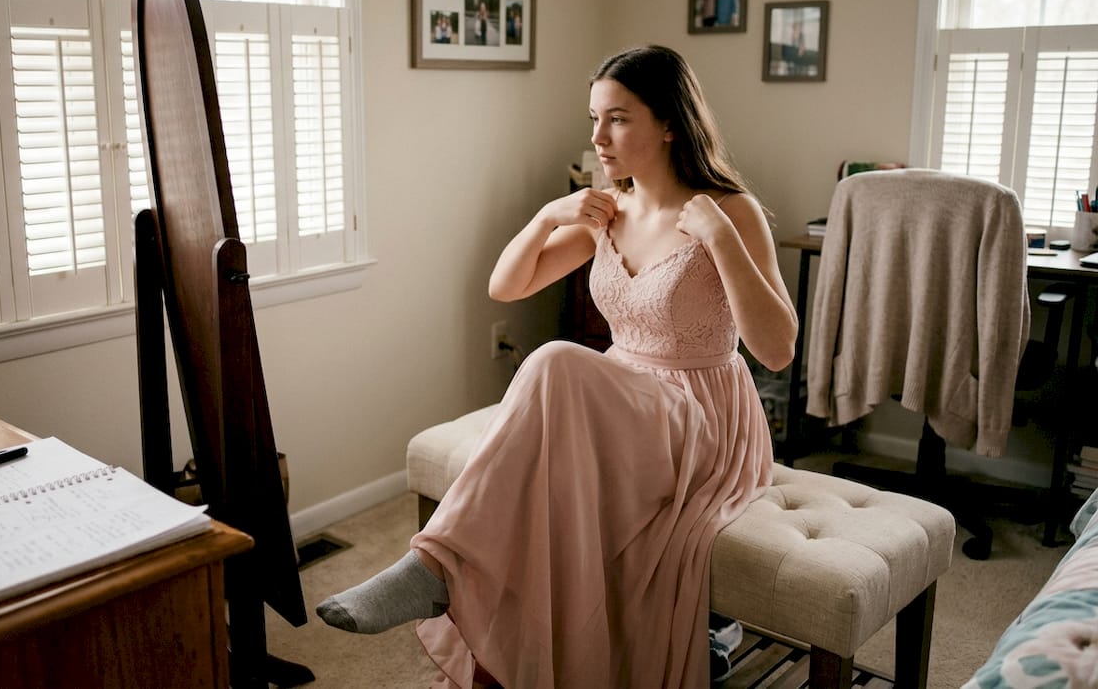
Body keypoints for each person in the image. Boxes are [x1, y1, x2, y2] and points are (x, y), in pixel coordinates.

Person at [316, 44, 797, 688]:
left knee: (554, 362)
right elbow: (505, 286)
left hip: (701, 420)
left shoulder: (726, 210)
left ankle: (434, 567)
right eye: (593, 118)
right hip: (624, 405)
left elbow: (777, 350)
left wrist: (719, 239)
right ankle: (444, 574)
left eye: (618, 119)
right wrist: (549, 214)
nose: (597, 137)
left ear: (670, 123)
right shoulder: (608, 208)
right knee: (555, 398)